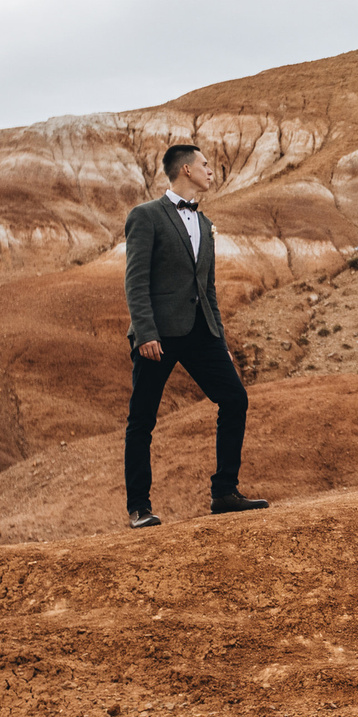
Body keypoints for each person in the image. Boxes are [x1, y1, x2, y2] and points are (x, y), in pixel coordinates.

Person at [122, 143, 267, 527]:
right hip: (159, 335)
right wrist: (146, 332)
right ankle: (139, 507)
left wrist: (219, 338)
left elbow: (208, 287)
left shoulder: (205, 224)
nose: (211, 171)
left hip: (202, 330)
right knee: (142, 420)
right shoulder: (146, 216)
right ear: (185, 169)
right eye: (205, 165)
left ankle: (224, 493)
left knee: (234, 398)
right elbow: (135, 281)